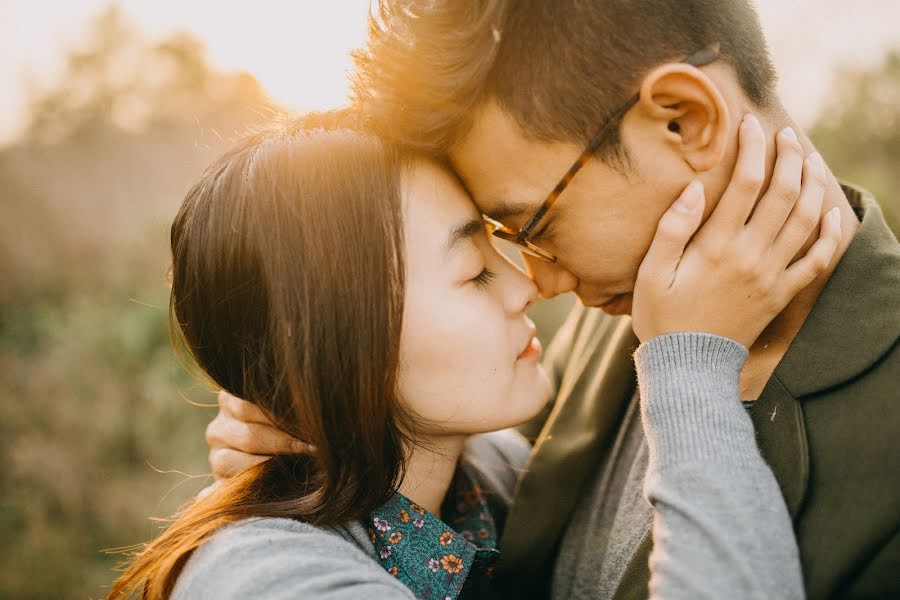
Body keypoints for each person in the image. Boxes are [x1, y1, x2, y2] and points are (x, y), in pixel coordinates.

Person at [210, 1, 900, 599]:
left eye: (531, 227)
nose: (537, 280)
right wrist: (345, 439)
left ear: (686, 121)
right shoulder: (616, 319)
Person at [109, 109, 837, 600]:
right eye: (473, 272)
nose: (526, 287)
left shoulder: (478, 489)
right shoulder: (269, 581)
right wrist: (692, 361)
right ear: (340, 344)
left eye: (503, 246)